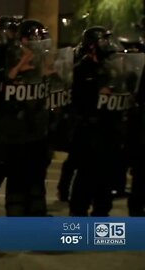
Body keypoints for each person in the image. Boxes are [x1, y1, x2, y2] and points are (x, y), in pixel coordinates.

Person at [0, 19, 52, 216]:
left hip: (31, 128)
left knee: (32, 174)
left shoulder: (38, 59)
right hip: (5, 126)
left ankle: (33, 213)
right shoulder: (0, 56)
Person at [69, 26, 134, 216]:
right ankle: (78, 214)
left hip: (109, 131)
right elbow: (78, 100)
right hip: (89, 131)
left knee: (106, 177)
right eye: (102, 40)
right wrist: (96, 92)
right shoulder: (82, 68)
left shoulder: (112, 66)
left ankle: (101, 214)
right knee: (85, 176)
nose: (107, 44)